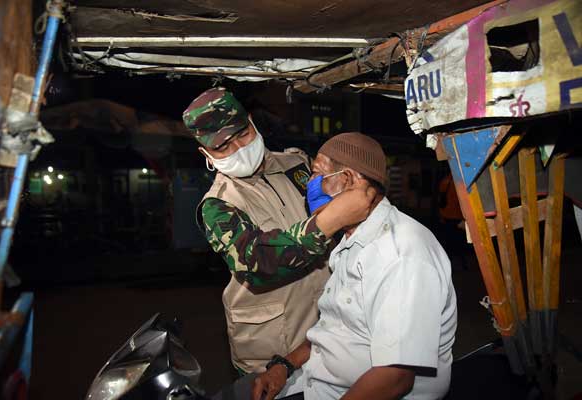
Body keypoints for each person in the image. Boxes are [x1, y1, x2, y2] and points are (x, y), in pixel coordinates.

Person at [246, 132, 457, 400]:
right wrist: (284, 365)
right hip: (314, 383)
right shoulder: (349, 240)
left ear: (348, 180)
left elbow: (395, 378)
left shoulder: (401, 254)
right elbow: (335, 328)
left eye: (316, 174)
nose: (309, 185)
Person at [183, 88, 375, 375]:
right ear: (206, 152)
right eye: (223, 147)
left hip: (328, 329)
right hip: (271, 346)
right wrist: (328, 222)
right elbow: (257, 262)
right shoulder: (218, 204)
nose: (238, 149)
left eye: (242, 135)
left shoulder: (296, 164)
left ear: (252, 122)